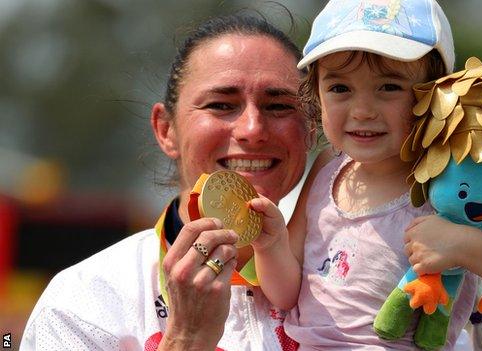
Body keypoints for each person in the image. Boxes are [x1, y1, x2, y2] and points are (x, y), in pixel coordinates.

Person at [249, 0, 482, 350]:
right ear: (315, 94)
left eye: (389, 87)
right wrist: (270, 246)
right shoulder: (328, 167)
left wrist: (464, 245)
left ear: (437, 97)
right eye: (340, 88)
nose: (362, 111)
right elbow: (286, 295)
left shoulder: (448, 184)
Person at [20, 14, 311, 351]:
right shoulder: (85, 300)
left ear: (312, 129)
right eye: (221, 105)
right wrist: (186, 338)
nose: (252, 130)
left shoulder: (359, 270)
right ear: (165, 130)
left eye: (278, 106)